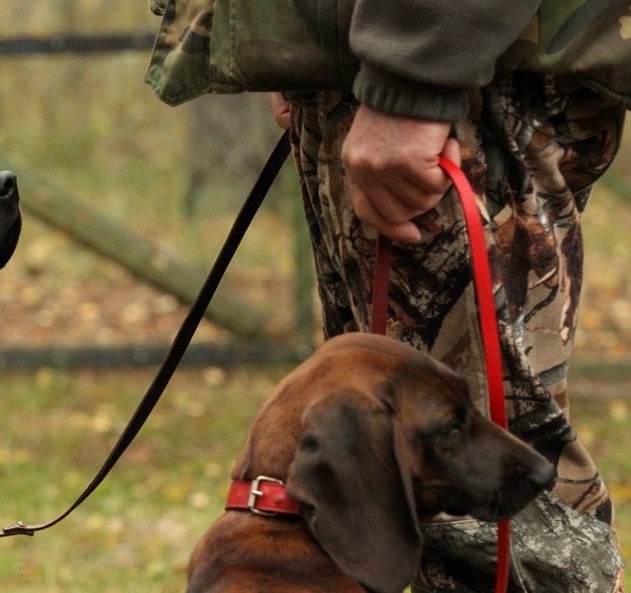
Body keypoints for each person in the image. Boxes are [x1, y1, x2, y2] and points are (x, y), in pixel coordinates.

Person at [146, 2, 628, 591]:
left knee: (490, 535)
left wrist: (414, 77)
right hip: (369, 64)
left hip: (449, 68)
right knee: (390, 495)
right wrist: (286, 43)